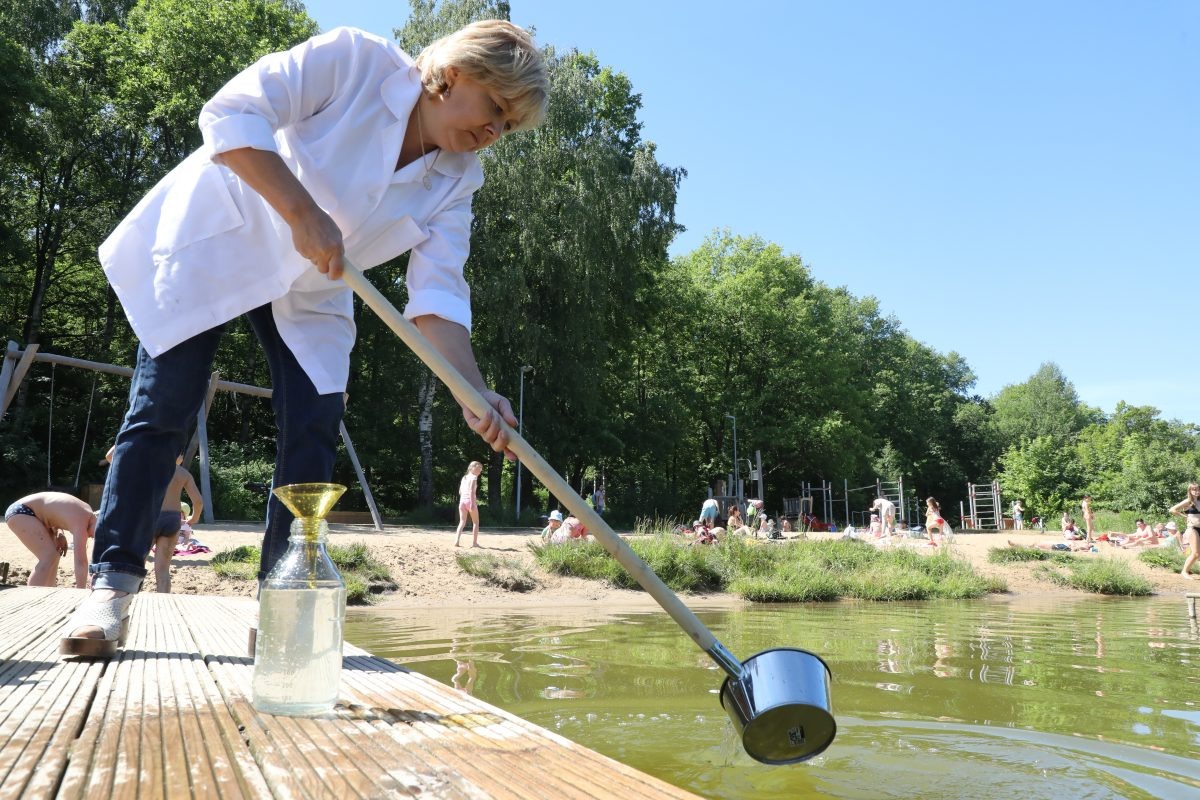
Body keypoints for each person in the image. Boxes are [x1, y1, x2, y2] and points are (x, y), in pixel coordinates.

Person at [61, 21, 549, 657]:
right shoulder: (356, 61)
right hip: (227, 232)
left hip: (315, 285)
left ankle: (282, 607)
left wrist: (472, 391)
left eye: (508, 127)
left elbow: (439, 296)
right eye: (495, 109)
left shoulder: (460, 180)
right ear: (454, 76)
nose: (494, 133)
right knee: (165, 404)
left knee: (315, 427)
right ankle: (112, 588)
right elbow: (233, 113)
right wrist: (301, 212)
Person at [106, 446, 203, 593]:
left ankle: (135, 599)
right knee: (163, 570)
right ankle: (162, 605)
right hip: (172, 519)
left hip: (148, 518)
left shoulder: (146, 467)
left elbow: (110, 457)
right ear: (180, 458)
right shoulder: (183, 474)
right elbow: (198, 501)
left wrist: (128, 437)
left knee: (138, 567)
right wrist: (193, 519)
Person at [4, 492, 96, 588]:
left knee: (55, 553)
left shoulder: (87, 512)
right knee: (48, 555)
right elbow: (81, 562)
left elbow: (56, 512)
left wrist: (60, 533)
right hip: (22, 511)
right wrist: (80, 592)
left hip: (31, 512)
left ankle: (49, 592)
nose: (91, 537)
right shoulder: (82, 522)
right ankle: (31, 595)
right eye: (95, 535)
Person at [1169, 482, 1200, 579]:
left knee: (1197, 554)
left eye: (1197, 489)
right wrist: (1185, 516)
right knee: (1195, 553)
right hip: (1192, 528)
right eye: (1194, 489)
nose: (1196, 491)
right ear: (1190, 491)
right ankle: (1184, 572)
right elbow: (1172, 509)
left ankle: (1188, 570)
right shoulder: (1188, 501)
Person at [454, 461, 483, 548]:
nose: (480, 472)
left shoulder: (464, 477)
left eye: (480, 470)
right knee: (476, 523)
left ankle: (456, 541)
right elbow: (471, 491)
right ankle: (474, 543)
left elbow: (460, 491)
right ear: (473, 468)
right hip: (470, 501)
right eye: (479, 470)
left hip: (462, 501)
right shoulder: (474, 477)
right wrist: (472, 503)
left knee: (462, 522)